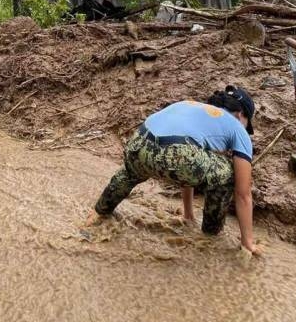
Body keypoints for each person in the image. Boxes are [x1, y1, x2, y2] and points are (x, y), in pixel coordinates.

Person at [91, 86, 263, 257]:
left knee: (129, 173)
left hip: (138, 143)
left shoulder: (192, 107)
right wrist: (248, 243)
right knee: (228, 174)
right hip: (177, 155)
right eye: (247, 125)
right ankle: (210, 235)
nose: (245, 129)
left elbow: (184, 151)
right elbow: (243, 194)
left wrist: (188, 215)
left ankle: (98, 214)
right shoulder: (238, 128)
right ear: (241, 114)